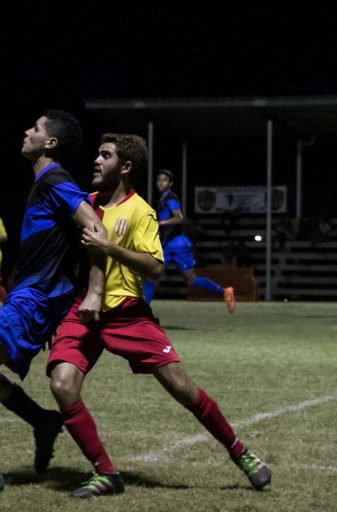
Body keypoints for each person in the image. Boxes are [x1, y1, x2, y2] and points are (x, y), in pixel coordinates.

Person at [47, 133, 271, 499]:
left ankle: (241, 453)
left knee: (183, 389)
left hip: (127, 314)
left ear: (126, 166)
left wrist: (109, 246)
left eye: (105, 155)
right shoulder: (83, 204)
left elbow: (153, 268)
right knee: (62, 385)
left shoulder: (141, 211)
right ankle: (106, 473)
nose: (96, 161)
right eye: (97, 155)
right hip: (82, 310)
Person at [0, 110, 107, 495]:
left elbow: (96, 227)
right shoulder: (44, 181)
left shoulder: (55, 179)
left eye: (35, 128)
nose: (26, 131)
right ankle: (41, 420)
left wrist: (94, 291)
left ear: (50, 142)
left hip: (37, 298)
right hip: (32, 295)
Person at [143, 169, 235, 313]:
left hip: (178, 244)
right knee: (151, 275)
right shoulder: (161, 199)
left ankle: (225, 292)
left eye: (164, 180)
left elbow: (179, 218)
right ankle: (142, 312)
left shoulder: (170, 198)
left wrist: (161, 223)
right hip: (167, 244)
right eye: (158, 179)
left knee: (191, 279)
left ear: (170, 183)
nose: (161, 182)